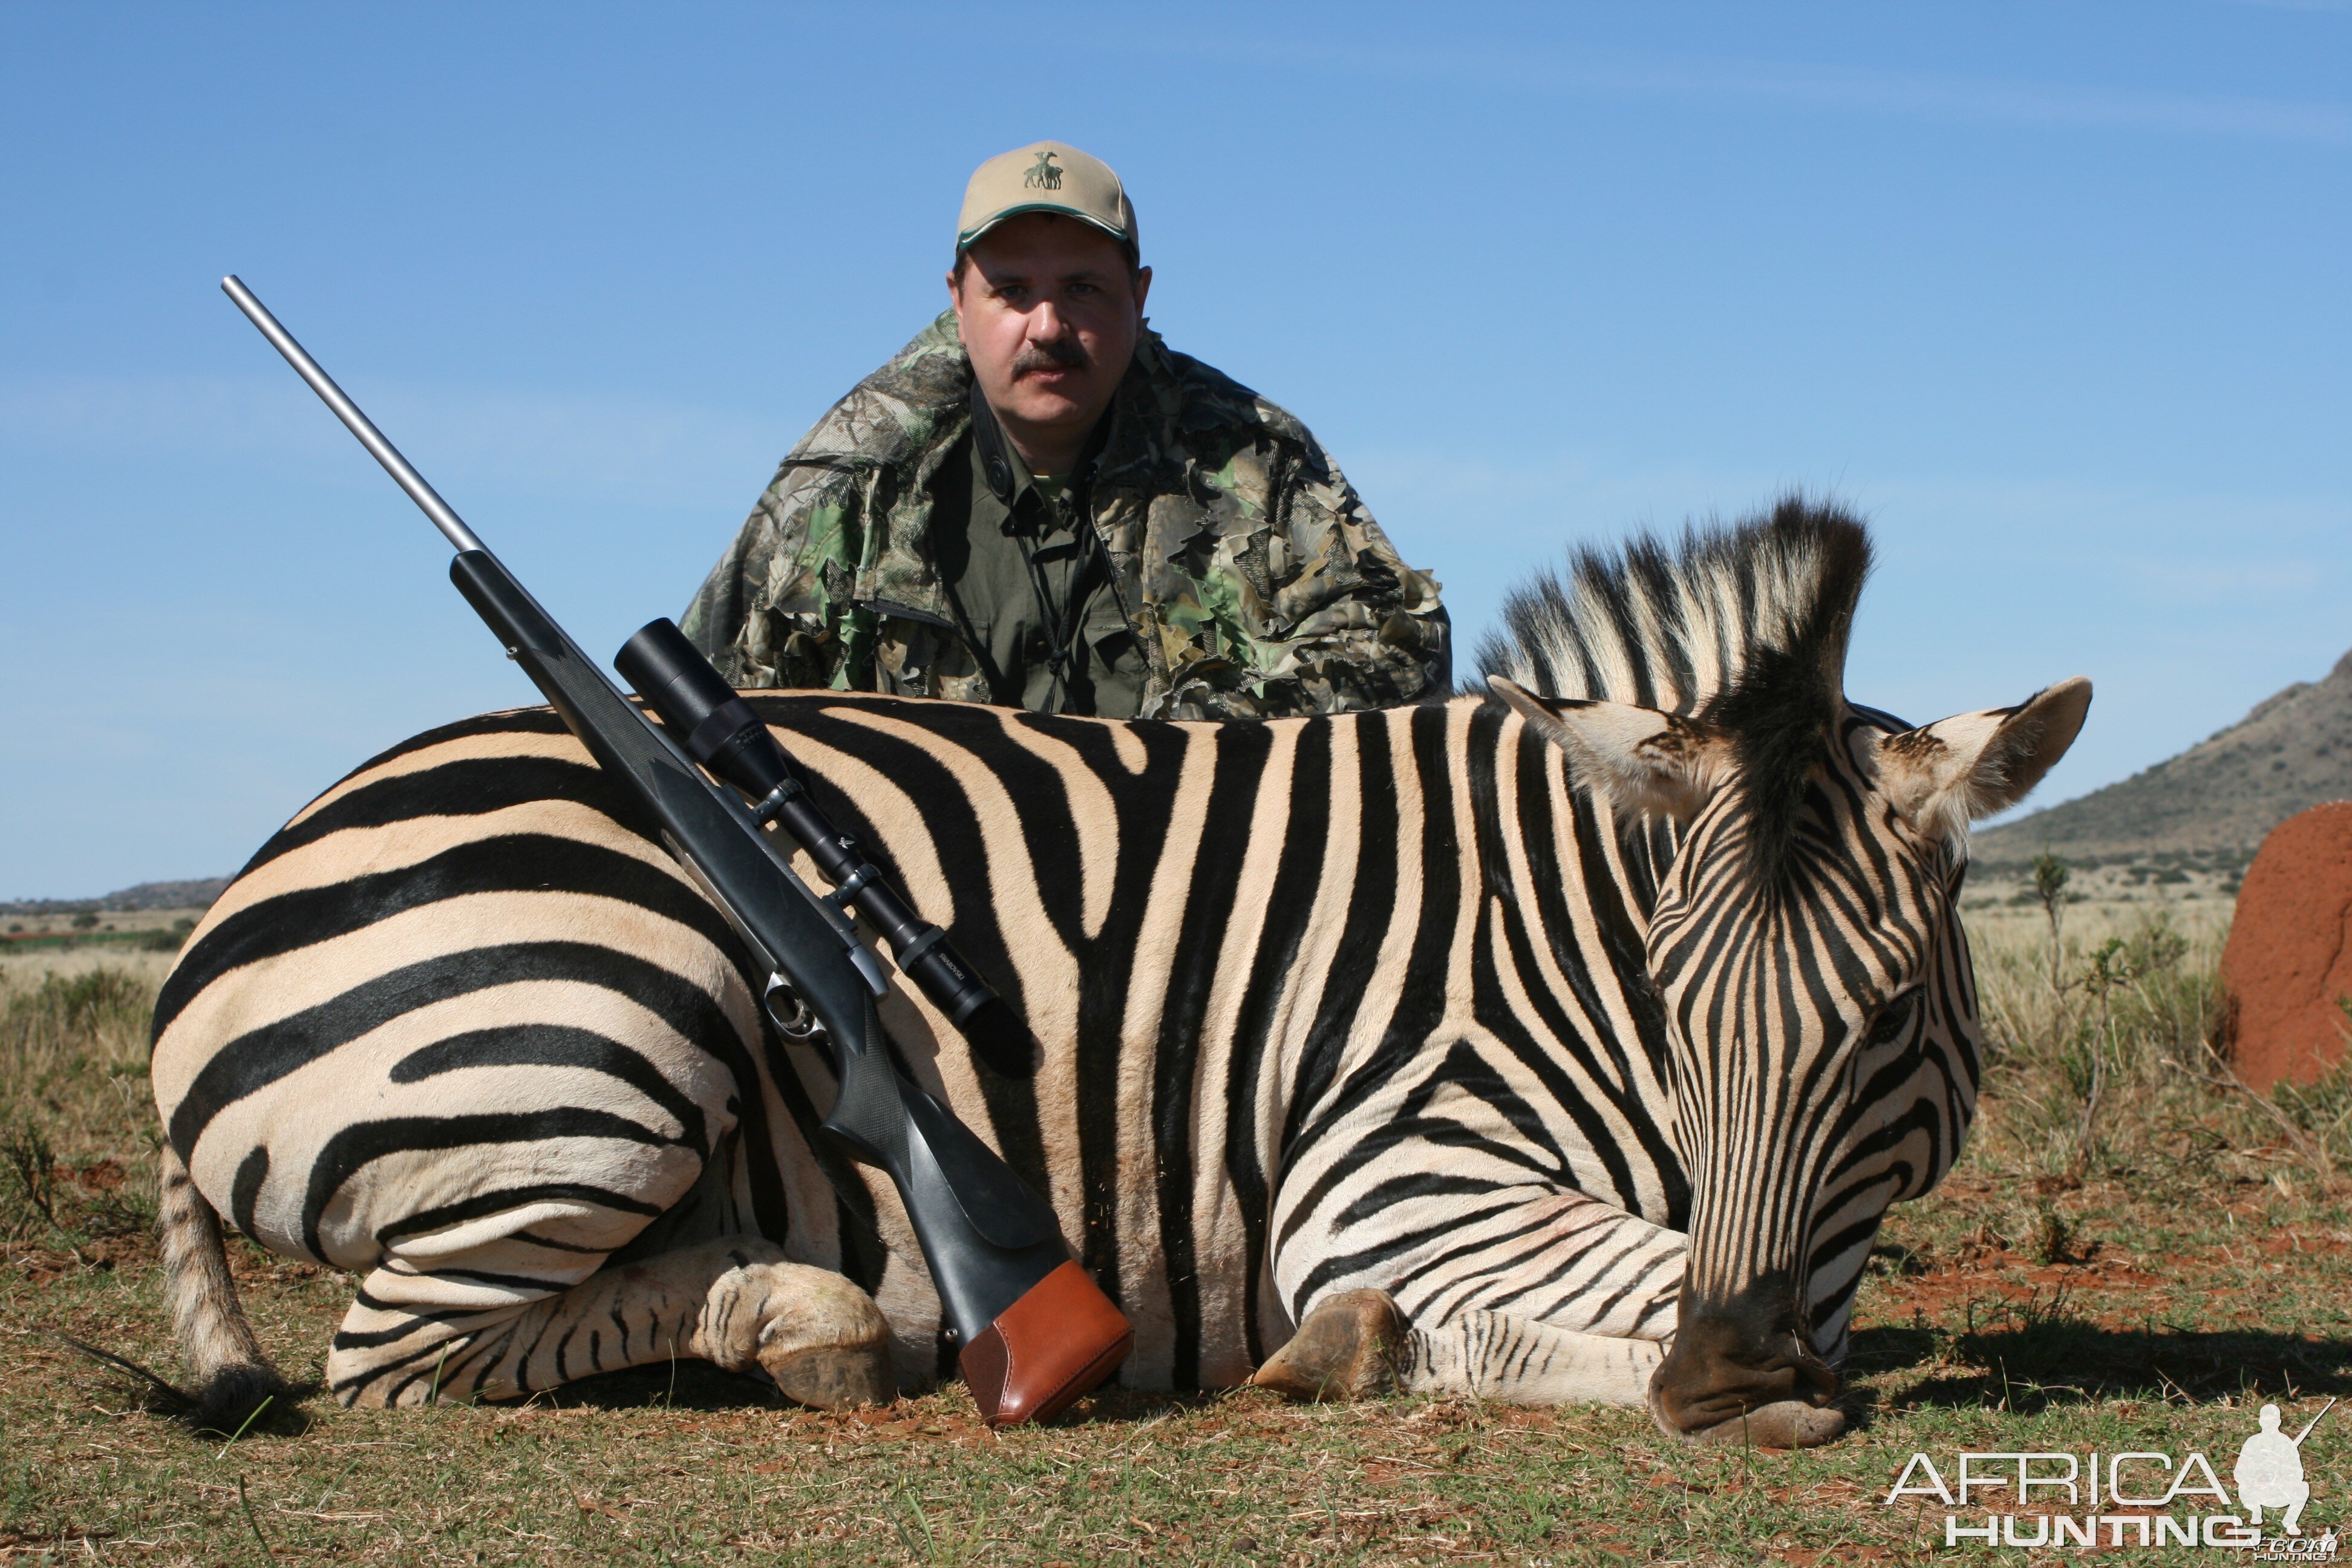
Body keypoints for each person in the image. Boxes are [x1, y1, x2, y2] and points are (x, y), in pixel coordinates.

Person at [683, 141, 1448, 719]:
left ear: (1139, 295)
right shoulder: (845, 488)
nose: (1047, 327)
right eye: (1012, 291)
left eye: (1082, 289)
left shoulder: (1253, 461)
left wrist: (1183, 756)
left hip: (1191, 891)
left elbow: (1403, 647)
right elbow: (694, 712)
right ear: (958, 300)